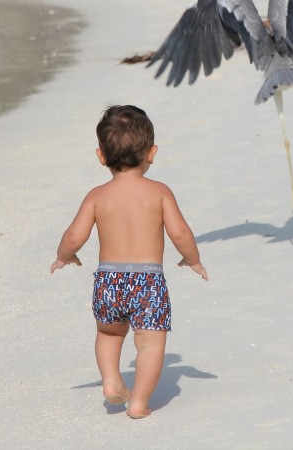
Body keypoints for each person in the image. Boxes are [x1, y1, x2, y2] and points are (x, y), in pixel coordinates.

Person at [50, 104, 208, 419]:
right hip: (148, 283)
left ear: (101, 156)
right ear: (151, 153)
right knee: (150, 344)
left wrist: (64, 256)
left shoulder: (97, 196)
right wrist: (192, 259)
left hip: (108, 281)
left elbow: (73, 235)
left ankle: (111, 380)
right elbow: (180, 232)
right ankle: (138, 402)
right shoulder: (159, 192)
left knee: (109, 333)